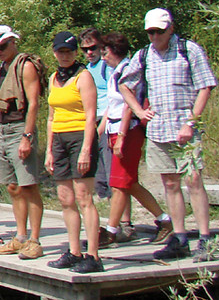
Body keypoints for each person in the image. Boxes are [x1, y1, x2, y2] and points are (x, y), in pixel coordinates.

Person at [119, 8, 218, 261]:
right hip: (159, 128)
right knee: (170, 184)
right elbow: (124, 84)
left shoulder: (189, 50)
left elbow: (205, 85)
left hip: (185, 126)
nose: (154, 36)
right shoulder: (144, 55)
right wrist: (140, 111)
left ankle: (206, 239)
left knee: (194, 180)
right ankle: (180, 237)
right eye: (150, 32)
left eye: (159, 31)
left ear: (170, 29)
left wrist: (191, 123)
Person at [96, 32, 169, 246]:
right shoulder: (114, 73)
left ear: (113, 51)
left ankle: (110, 230)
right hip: (114, 129)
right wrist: (98, 133)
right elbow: (112, 106)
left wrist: (121, 137)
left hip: (128, 131)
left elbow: (129, 105)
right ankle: (164, 220)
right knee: (129, 182)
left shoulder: (128, 71)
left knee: (119, 183)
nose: (102, 57)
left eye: (105, 52)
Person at [0, 25, 45, 260]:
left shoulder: (25, 66)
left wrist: (27, 137)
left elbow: (34, 103)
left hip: (20, 128)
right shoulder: (4, 68)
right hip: (4, 128)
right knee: (12, 186)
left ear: (12, 42)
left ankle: (35, 240)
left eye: (2, 46)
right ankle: (20, 237)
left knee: (29, 186)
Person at [45, 31, 103, 273]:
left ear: (76, 52)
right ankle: (74, 251)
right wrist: (48, 149)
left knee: (84, 198)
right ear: (55, 53)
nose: (65, 56)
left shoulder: (84, 77)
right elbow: (51, 116)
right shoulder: (53, 78)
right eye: (61, 51)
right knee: (65, 199)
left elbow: (91, 115)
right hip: (59, 139)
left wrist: (86, 149)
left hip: (80, 137)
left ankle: (93, 256)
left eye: (69, 51)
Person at [80, 27, 112, 202]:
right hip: (90, 119)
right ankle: (104, 197)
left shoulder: (106, 66)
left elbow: (113, 96)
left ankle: (117, 206)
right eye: (85, 49)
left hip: (105, 118)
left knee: (109, 164)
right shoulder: (86, 69)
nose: (90, 52)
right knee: (97, 165)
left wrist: (102, 125)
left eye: (93, 48)